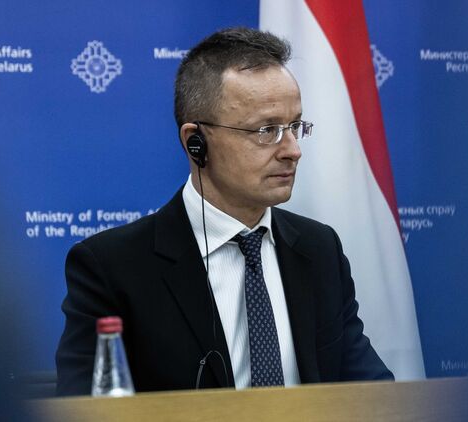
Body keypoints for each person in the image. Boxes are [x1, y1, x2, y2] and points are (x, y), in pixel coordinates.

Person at [56, 27, 393, 396]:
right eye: (266, 130)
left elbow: (371, 392)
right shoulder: (112, 267)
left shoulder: (319, 248)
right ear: (196, 143)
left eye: (295, 126)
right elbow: (86, 408)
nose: (293, 150)